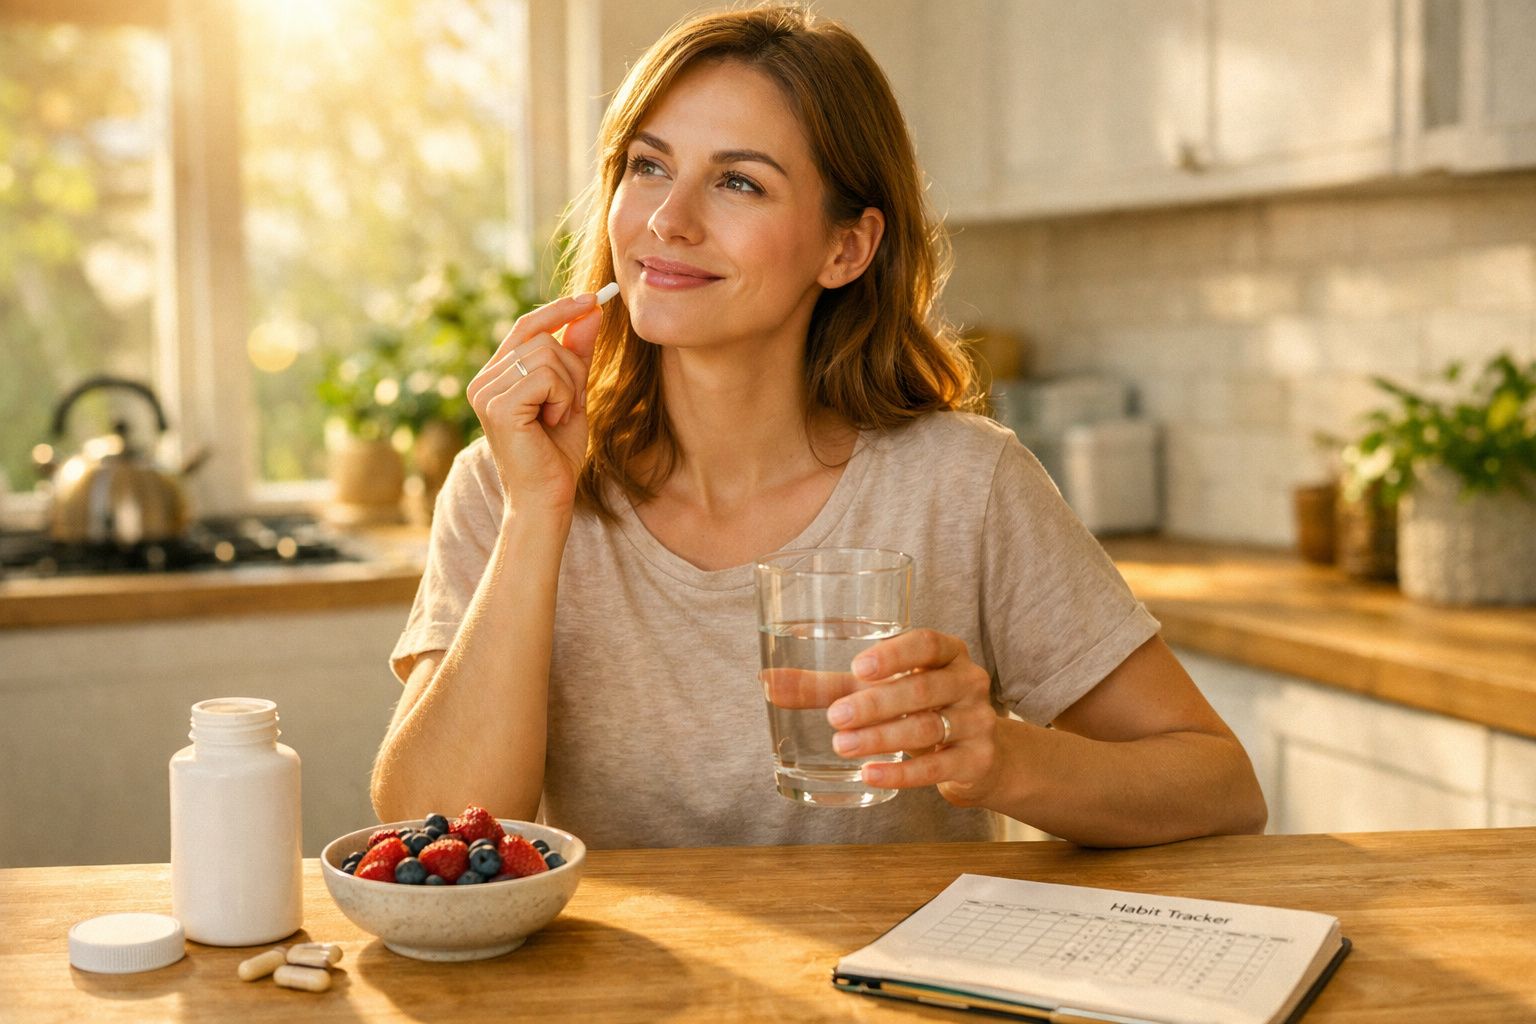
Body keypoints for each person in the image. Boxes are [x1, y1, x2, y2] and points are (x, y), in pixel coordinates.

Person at [371, 3, 1266, 849]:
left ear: (847, 248)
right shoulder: (505, 484)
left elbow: (1220, 788)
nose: (667, 221)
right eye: (647, 166)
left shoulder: (962, 486)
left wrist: (1001, 756)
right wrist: (538, 511)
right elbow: (430, 832)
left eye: (737, 182)